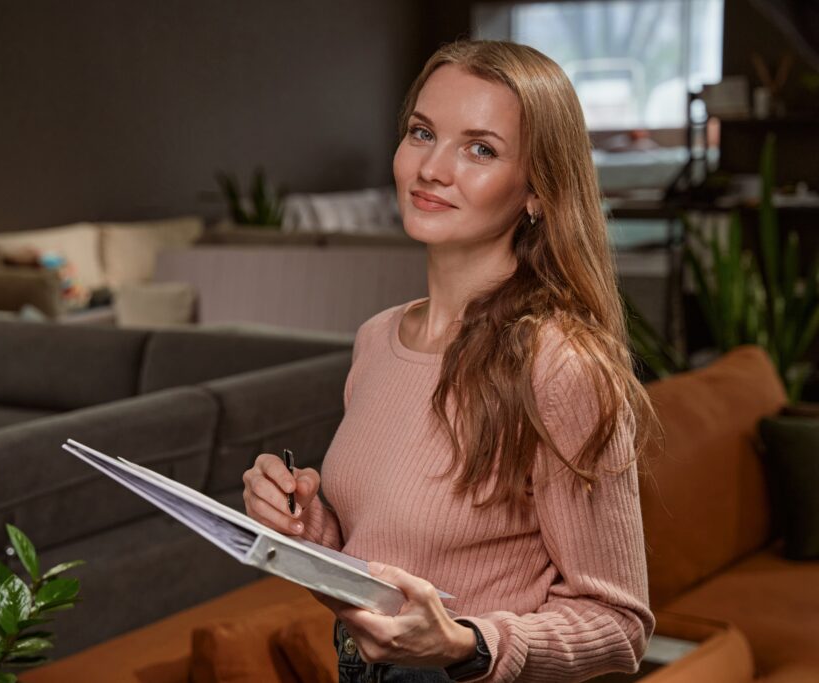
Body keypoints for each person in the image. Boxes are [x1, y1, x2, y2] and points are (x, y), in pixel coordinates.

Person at [242, 39, 656, 682]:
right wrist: (302, 525)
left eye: (480, 148)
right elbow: (383, 574)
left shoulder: (562, 365)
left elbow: (620, 627)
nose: (432, 168)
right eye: (421, 132)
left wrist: (465, 644)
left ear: (537, 192)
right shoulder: (377, 339)